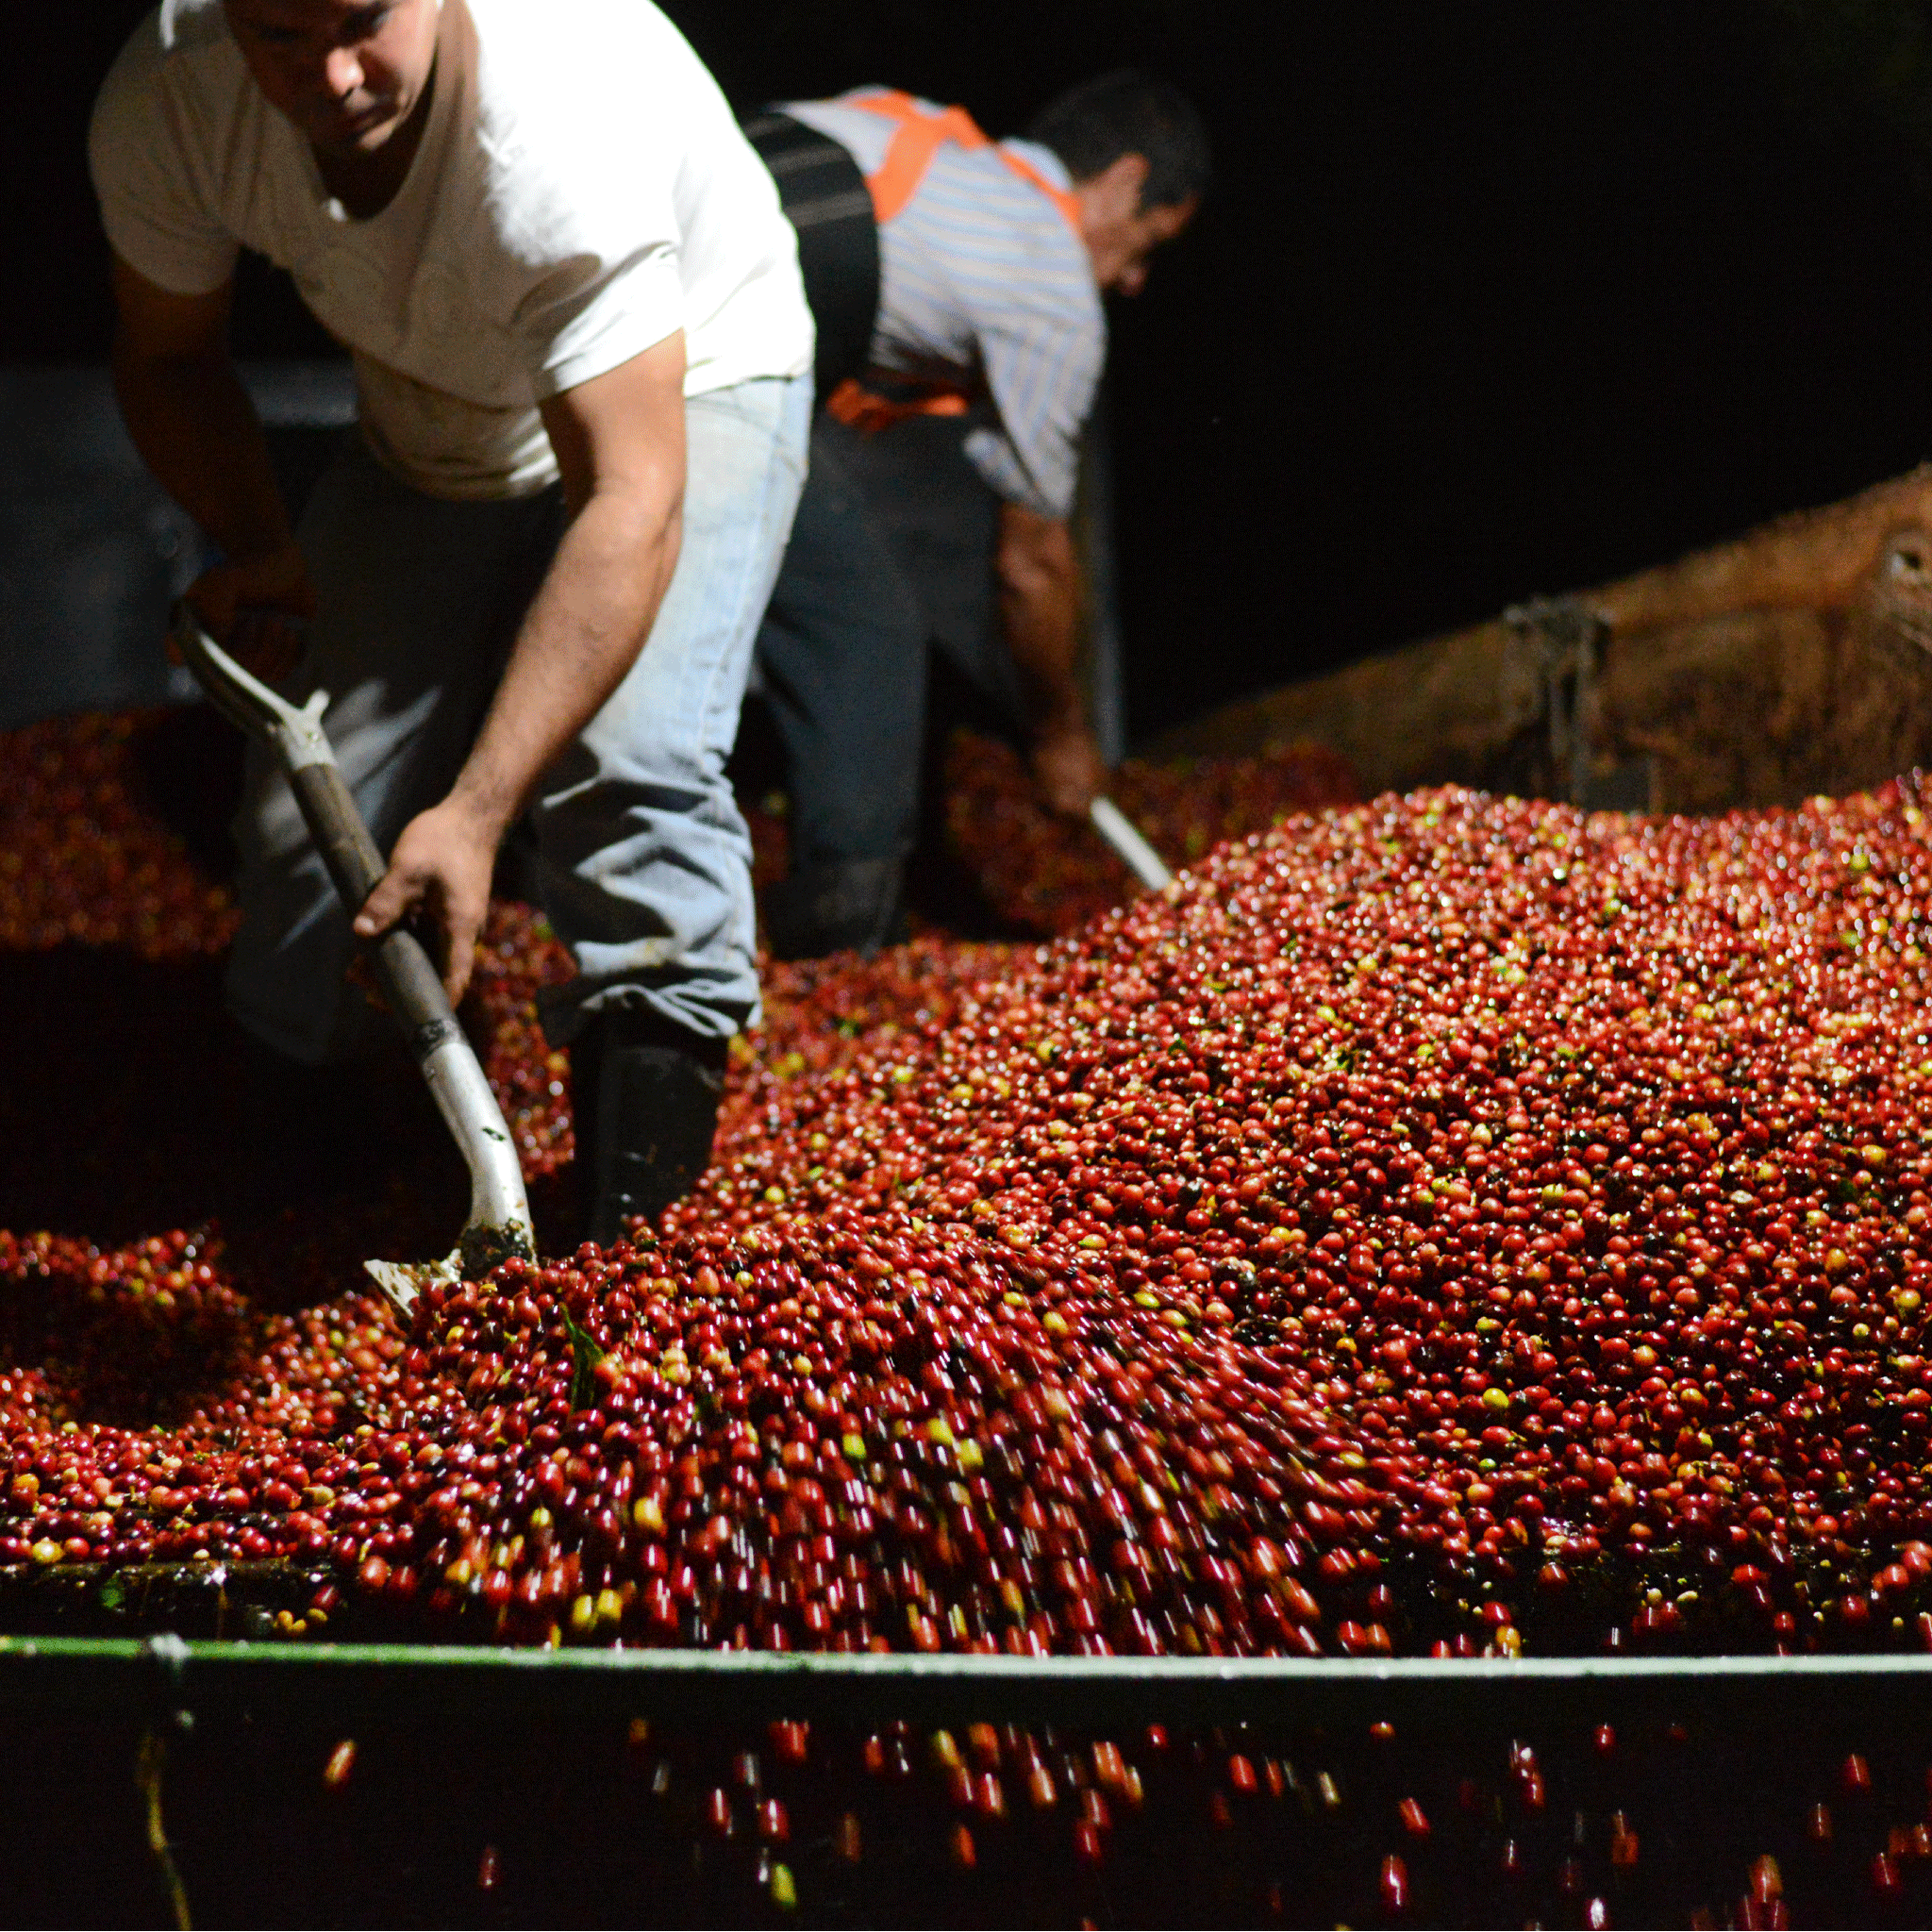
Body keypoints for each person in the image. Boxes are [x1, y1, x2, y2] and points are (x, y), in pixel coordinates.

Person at [88, 0, 813, 1242]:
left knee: (627, 769)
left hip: (692, 370)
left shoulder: (551, 123)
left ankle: (641, 1255)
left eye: (363, 20)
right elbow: (166, 358)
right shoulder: (172, 95)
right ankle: (301, 1185)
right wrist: (261, 545)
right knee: (306, 803)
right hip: (442, 398)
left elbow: (630, 501)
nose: (330, 74)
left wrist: (478, 812)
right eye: (277, 33)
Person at [743, 72, 1208, 957]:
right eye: (1148, 242)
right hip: (714, 335)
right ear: (1120, 182)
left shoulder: (921, 129)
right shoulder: (1053, 286)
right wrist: (1060, 732)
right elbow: (1031, 565)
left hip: (637, 292)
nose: (1138, 280)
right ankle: (845, 964)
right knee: (862, 628)